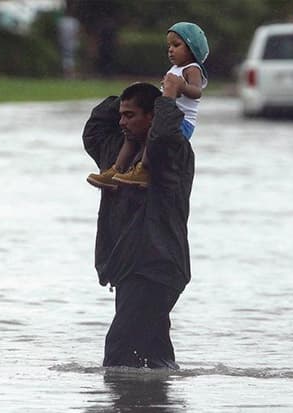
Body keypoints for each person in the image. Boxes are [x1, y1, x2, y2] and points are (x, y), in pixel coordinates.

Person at [82, 80, 195, 369]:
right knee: (154, 356)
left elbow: (165, 135)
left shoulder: (172, 154)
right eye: (121, 114)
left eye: (130, 115)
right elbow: (94, 126)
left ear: (152, 117)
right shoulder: (116, 155)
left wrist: (166, 99)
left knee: (119, 352)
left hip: (156, 266)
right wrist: (137, 90)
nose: (122, 122)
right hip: (129, 266)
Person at [87, 22, 208, 189]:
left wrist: (181, 87)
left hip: (180, 123)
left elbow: (197, 92)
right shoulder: (174, 69)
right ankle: (117, 170)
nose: (171, 50)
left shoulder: (192, 69)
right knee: (131, 134)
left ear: (192, 48)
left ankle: (144, 169)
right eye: (169, 46)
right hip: (162, 116)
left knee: (151, 132)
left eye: (176, 45)